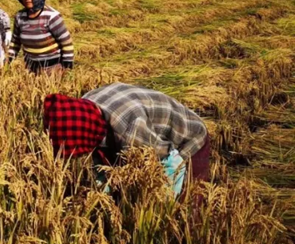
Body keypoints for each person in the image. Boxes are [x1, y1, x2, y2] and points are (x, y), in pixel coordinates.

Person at [43, 83, 210, 198]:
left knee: (189, 201)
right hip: (140, 124)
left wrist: (162, 206)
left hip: (189, 137)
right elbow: (103, 160)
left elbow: (170, 163)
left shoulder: (131, 131)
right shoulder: (86, 107)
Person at [8, 0, 74, 74]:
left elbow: (66, 42)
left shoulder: (51, 16)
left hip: (53, 69)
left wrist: (67, 66)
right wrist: (9, 59)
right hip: (30, 68)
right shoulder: (20, 16)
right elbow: (15, 41)